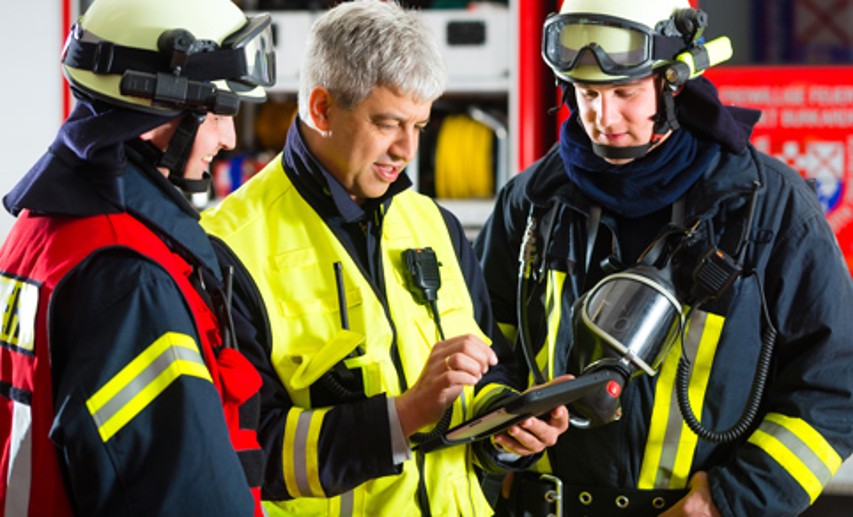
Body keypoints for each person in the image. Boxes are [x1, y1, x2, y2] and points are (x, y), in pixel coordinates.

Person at [474, 0, 853, 515]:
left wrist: (728, 502)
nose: (601, 118)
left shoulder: (769, 207)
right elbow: (480, 345)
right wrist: (500, 420)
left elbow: (836, 383)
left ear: (674, 84)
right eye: (586, 93)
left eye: (624, 93)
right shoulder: (534, 201)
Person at [201, 1, 569, 515]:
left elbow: (490, 373)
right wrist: (403, 416)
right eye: (388, 123)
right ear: (322, 108)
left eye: (419, 125)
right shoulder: (228, 249)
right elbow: (245, 452)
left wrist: (506, 424)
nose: (407, 149)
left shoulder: (435, 225)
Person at [0, 0, 277, 514]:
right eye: (218, 112)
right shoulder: (130, 278)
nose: (229, 137)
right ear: (157, 107)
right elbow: (185, 494)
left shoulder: (40, 229)